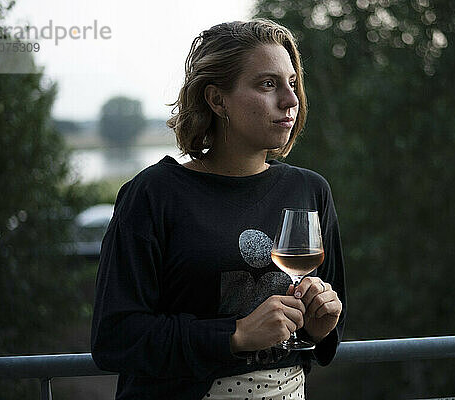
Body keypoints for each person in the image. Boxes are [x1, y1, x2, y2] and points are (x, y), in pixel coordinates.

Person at [91, 19, 346, 400]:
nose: (291, 100)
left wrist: (321, 325)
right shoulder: (153, 194)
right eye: (267, 84)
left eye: (292, 83)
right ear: (216, 99)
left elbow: (321, 339)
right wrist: (236, 334)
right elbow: (115, 337)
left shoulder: (310, 190)